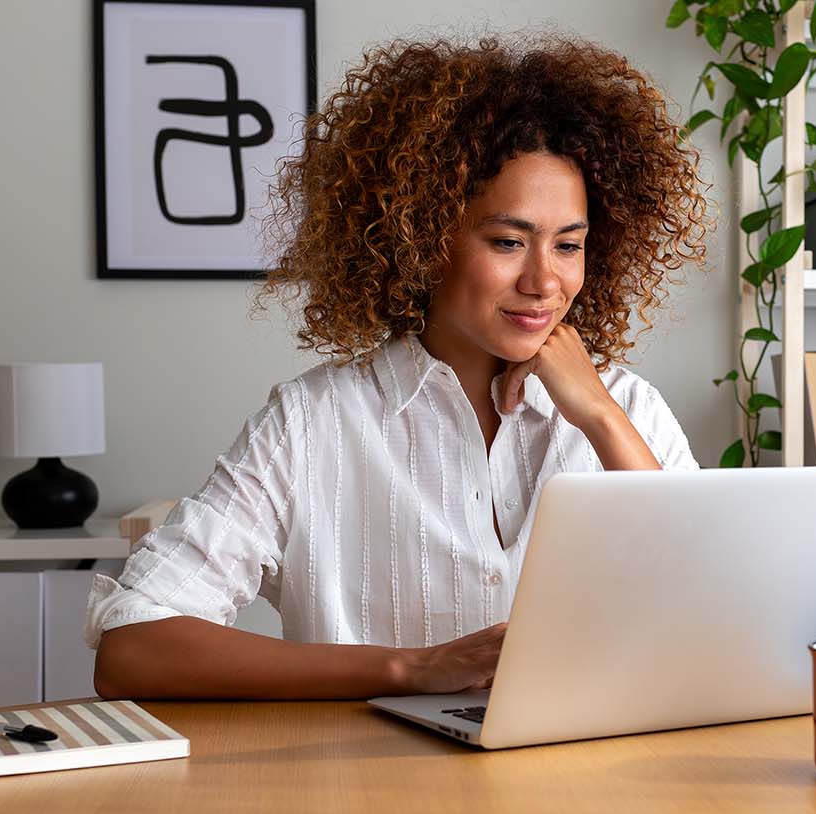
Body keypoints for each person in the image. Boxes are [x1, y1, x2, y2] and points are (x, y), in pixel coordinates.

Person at [86, 34, 711, 700]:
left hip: (590, 793)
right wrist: (408, 668)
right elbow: (134, 646)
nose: (544, 281)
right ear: (422, 234)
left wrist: (600, 418)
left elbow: (719, 620)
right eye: (507, 241)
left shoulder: (627, 409)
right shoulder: (313, 423)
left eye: (568, 246)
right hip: (372, 794)